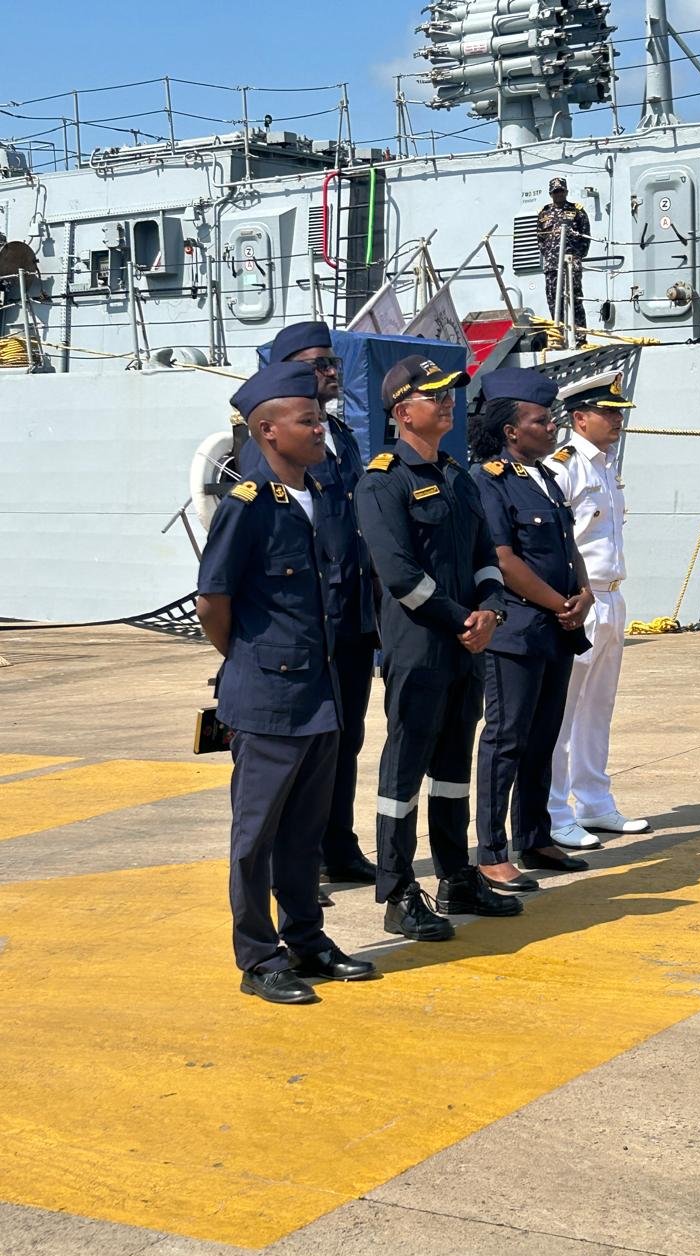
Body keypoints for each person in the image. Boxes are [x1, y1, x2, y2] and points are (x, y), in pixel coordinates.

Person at [197, 361, 376, 1006]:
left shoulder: (324, 496)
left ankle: (307, 938)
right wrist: (247, 660)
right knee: (257, 838)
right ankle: (259, 957)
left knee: (305, 832)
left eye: (321, 418)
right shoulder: (247, 505)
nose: (320, 429)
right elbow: (213, 599)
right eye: (307, 421)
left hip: (322, 693)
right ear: (267, 431)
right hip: (268, 695)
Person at [355, 356, 523, 940]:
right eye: (435, 396)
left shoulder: (456, 475)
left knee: (453, 767)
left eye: (451, 394)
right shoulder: (382, 480)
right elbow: (398, 574)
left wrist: (491, 611)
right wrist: (463, 619)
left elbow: (485, 554)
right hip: (420, 645)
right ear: (403, 412)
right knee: (404, 770)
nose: (448, 402)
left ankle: (455, 875)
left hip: (465, 644)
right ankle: (399, 890)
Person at [237, 320, 378, 889]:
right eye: (319, 364)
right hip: (300, 626)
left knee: (343, 738)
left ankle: (336, 845)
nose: (331, 373)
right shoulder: (262, 453)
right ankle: (291, 863)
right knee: (294, 748)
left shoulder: (339, 433)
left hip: (348, 617)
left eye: (332, 363)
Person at [469, 368, 595, 891]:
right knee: (506, 738)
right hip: (516, 630)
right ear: (510, 430)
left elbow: (567, 549)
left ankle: (535, 834)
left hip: (555, 628)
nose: (553, 429)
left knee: (543, 736)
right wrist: (559, 603)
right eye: (542, 421)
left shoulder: (543, 478)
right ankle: (492, 851)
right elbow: (502, 558)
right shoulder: (488, 480)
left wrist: (583, 594)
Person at [547, 371, 653, 850]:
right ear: (580, 417)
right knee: (563, 709)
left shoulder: (607, 466)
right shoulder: (564, 466)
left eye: (618, 413)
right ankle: (554, 809)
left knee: (598, 706)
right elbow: (556, 539)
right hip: (580, 599)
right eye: (608, 413)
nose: (616, 421)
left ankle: (594, 801)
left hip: (612, 596)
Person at [536, 177, 591, 343]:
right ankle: (558, 336)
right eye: (555, 191)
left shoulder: (577, 212)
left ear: (566, 192)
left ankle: (580, 337)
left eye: (561, 191)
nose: (558, 194)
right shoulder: (543, 214)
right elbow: (540, 240)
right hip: (552, 265)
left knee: (575, 299)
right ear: (550, 194)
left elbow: (585, 237)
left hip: (570, 263)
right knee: (554, 300)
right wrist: (549, 256)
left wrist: (576, 256)